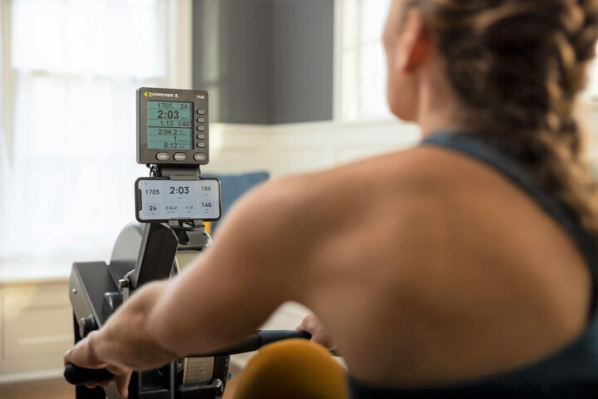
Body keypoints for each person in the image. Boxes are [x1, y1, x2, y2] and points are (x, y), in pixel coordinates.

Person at [65, 0, 598, 397]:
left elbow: (152, 331)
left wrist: (91, 348)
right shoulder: (582, 202)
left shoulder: (309, 209)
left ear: (414, 38)